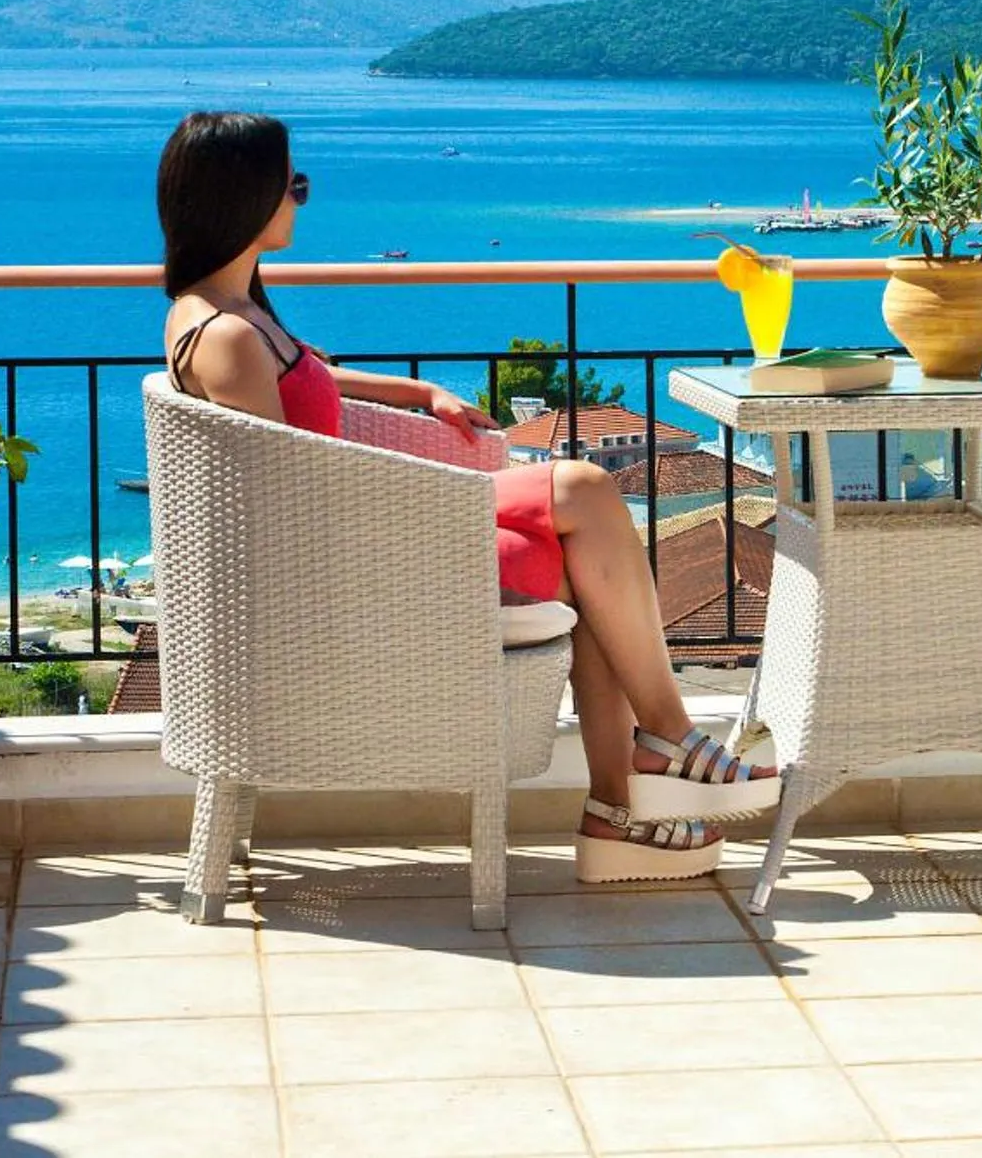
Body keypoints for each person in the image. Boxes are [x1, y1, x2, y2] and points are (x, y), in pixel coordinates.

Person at [154, 112, 776, 882]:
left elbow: (305, 382)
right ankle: (660, 749)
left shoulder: (224, 315)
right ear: (242, 197)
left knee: (581, 547)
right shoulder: (228, 335)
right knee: (583, 493)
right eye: (295, 187)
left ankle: (625, 800)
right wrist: (430, 502)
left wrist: (419, 390)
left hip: (367, 521)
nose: (300, 202)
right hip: (359, 550)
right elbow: (291, 486)